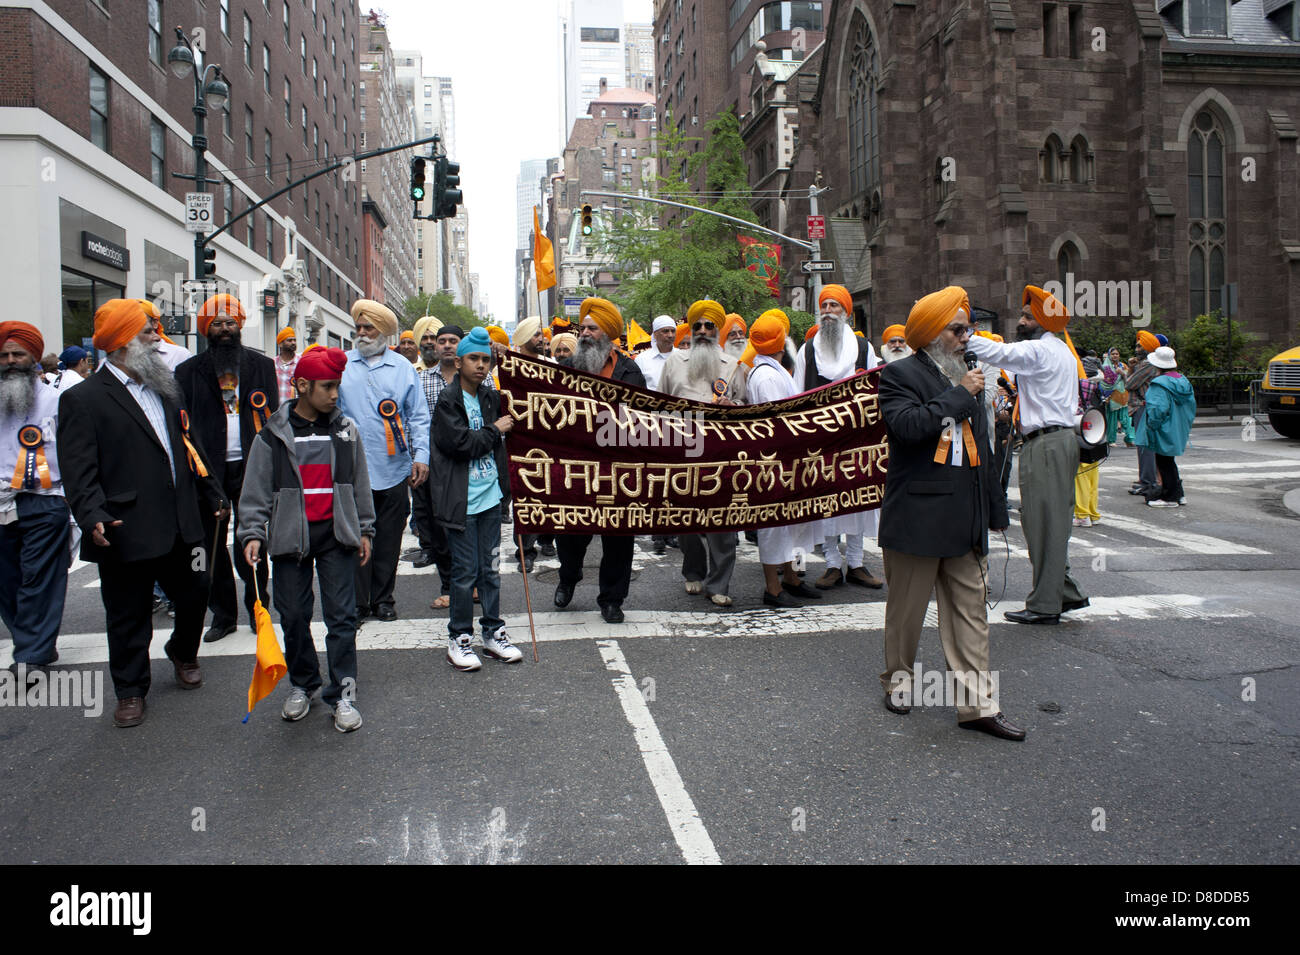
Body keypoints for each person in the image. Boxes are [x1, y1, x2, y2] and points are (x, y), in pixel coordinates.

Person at [58, 299, 226, 728]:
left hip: (183, 520)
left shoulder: (165, 387)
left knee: (195, 592)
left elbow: (189, 447)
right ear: (120, 344)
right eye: (147, 332)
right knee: (128, 613)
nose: (157, 338)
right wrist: (91, 513)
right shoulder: (84, 399)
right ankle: (131, 689)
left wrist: (213, 493)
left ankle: (182, 652)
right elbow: (79, 469)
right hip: (125, 526)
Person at [877, 286, 1023, 741]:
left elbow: (985, 445)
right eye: (958, 330)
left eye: (968, 329)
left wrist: (995, 508)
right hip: (918, 517)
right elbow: (907, 428)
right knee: (907, 613)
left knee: (971, 614)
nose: (967, 337)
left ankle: (978, 705)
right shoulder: (899, 374)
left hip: (967, 516)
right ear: (931, 335)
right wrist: (959, 395)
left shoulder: (970, 375)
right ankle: (898, 682)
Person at [238, 346, 374, 732]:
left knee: (341, 618)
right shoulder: (273, 434)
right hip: (288, 537)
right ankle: (302, 683)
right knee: (294, 616)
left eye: (337, 387)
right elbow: (256, 489)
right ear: (301, 385)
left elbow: (360, 483)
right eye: (327, 387)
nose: (334, 394)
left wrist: (365, 528)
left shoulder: (347, 431)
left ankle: (343, 692)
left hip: (336, 535)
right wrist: (251, 532)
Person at [964, 285, 1089, 625]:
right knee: (1052, 522)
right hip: (1057, 441)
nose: (1020, 321)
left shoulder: (1040, 351)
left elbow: (996, 353)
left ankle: (1046, 603)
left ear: (1043, 322)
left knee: (1043, 524)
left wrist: (960, 332)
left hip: (1046, 444)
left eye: (1027, 317)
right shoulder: (1060, 351)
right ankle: (1064, 591)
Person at [175, 293, 277, 643]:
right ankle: (223, 614)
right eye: (216, 323)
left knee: (252, 538)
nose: (224, 329)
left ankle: (256, 605)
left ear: (239, 326)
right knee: (212, 544)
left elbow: (274, 419)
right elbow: (182, 426)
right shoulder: (187, 372)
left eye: (230, 323)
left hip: (251, 465)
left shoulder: (261, 367)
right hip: (208, 471)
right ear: (206, 329)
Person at [429, 327, 523, 671]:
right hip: (461, 501)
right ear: (459, 360)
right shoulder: (447, 400)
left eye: (486, 359)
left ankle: (493, 632)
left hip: (491, 498)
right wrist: (494, 430)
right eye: (474, 358)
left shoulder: (491, 396)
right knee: (465, 574)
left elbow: (524, 395)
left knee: (491, 571)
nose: (481, 365)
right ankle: (460, 638)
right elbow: (461, 444)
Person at [554, 297, 646, 623]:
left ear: (608, 333)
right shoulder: (566, 369)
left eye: (592, 328)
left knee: (619, 538)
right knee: (570, 534)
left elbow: (641, 420)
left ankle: (612, 599)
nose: (584, 333)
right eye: (583, 328)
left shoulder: (630, 371)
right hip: (576, 468)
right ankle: (568, 576)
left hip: (617, 470)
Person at [338, 299, 431, 622]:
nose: (362, 334)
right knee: (355, 537)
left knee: (389, 539)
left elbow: (418, 417)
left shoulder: (403, 368)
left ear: (384, 333)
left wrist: (421, 457)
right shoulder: (342, 365)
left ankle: (383, 599)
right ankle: (359, 600)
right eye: (359, 328)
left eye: (369, 328)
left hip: (394, 469)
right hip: (351, 471)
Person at [793, 285, 884, 591]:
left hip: (855, 438)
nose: (829, 310)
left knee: (856, 499)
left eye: (835, 306)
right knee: (828, 500)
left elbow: (875, 389)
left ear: (846, 312)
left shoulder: (863, 347)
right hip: (821, 440)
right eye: (825, 305)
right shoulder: (807, 349)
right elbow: (797, 394)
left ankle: (856, 563)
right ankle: (833, 564)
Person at [659, 299, 749, 607]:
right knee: (687, 522)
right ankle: (693, 571)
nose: (701, 330)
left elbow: (748, 412)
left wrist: (732, 407)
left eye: (708, 325)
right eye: (696, 325)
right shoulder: (674, 363)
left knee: (723, 525)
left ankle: (719, 583)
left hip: (722, 458)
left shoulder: (734, 366)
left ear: (717, 330)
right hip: (683, 454)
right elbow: (658, 407)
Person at [0, 322, 71, 673]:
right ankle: (34, 640)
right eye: (5, 355)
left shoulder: (60, 399)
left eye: (18, 354)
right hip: (0, 501)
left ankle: (30, 654)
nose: (11, 360)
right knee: (6, 580)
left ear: (35, 358)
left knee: (38, 578)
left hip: (46, 498)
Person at [744, 311, 818, 609]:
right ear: (780, 343)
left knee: (787, 523)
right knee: (773, 524)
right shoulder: (766, 376)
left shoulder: (771, 371)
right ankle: (773, 588)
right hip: (775, 460)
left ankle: (790, 578)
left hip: (783, 457)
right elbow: (779, 422)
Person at [410, 323, 462, 605]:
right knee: (438, 529)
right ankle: (448, 587)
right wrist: (415, 459)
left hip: (468, 465)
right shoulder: (421, 380)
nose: (445, 345)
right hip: (433, 466)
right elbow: (414, 422)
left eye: (452, 340)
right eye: (441, 341)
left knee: (468, 528)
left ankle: (473, 585)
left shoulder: (478, 377)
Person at [1136, 346, 1195, 508]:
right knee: (1169, 461)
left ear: (1157, 365)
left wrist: (1151, 426)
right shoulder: (1183, 381)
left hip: (1162, 428)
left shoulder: (1159, 384)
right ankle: (1178, 493)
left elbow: (1157, 410)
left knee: (1163, 461)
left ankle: (1170, 497)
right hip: (1178, 426)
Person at [1127, 331, 1162, 498]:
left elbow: (1130, 383)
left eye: (1140, 345)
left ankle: (1148, 482)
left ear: (1148, 348)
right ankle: (1145, 481)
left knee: (1145, 447)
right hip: (1140, 407)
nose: (1137, 348)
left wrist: (1130, 371)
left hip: (1142, 407)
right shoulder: (1143, 364)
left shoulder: (1148, 364)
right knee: (1143, 446)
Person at [1101, 347, 1136, 447]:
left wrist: (1122, 374)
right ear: (1109, 355)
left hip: (1123, 396)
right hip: (1111, 397)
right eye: (1113, 354)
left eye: (1117, 354)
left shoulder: (1123, 366)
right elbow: (1104, 383)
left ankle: (1129, 439)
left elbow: (1130, 379)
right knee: (1112, 420)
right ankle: (1111, 440)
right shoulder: (1106, 367)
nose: (1115, 355)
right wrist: (1115, 374)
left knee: (1127, 419)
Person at [635, 315, 676, 391]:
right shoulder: (641, 360)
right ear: (655, 334)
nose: (670, 335)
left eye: (673, 331)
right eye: (665, 331)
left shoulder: (684, 357)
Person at [273, 327, 299, 401]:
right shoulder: (272, 363)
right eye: (289, 340)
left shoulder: (301, 362)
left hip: (294, 410)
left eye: (294, 340)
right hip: (276, 410)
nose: (293, 343)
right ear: (280, 344)